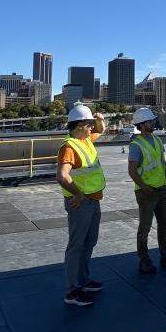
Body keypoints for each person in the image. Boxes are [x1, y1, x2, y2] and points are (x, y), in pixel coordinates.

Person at [56, 103, 106, 306]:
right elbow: (62, 175)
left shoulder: (85, 140)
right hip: (81, 203)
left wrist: (100, 119)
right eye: (88, 125)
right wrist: (77, 194)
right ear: (79, 126)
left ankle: (83, 280)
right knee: (76, 246)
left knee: (89, 242)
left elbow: (100, 131)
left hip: (93, 201)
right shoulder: (69, 146)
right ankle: (72, 290)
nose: (91, 129)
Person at [128, 107, 166, 273]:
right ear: (142, 124)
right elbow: (131, 170)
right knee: (144, 227)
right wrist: (144, 187)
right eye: (151, 121)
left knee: (164, 223)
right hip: (147, 192)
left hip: (161, 190)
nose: (154, 123)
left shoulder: (158, 140)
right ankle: (144, 259)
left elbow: (161, 161)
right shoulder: (136, 145)